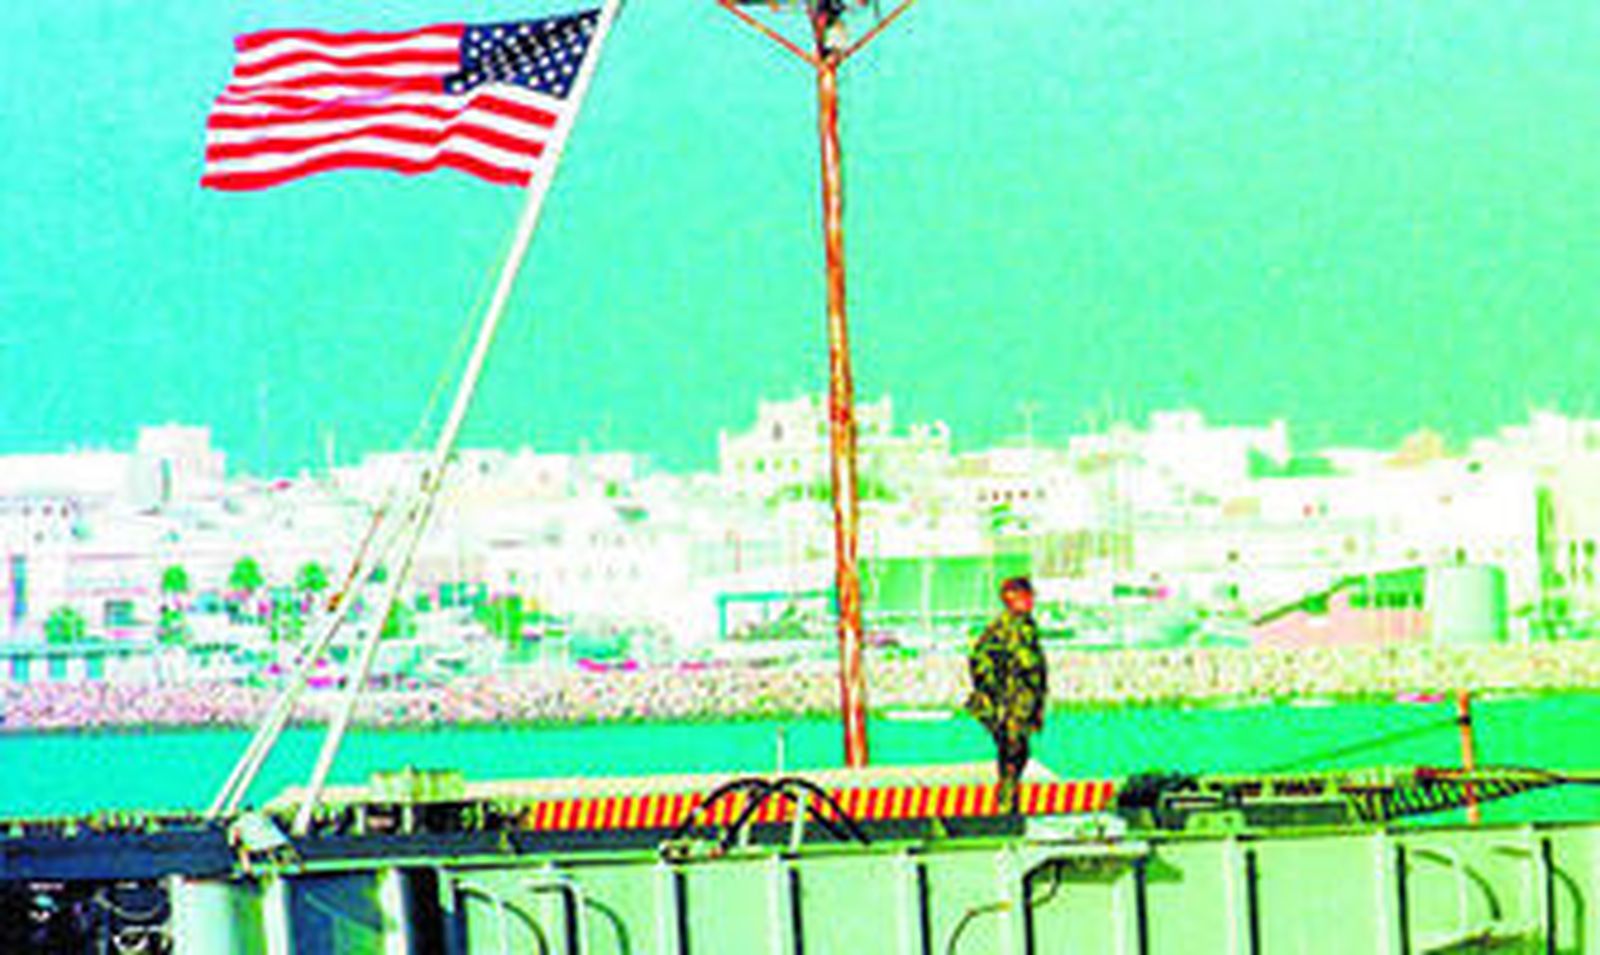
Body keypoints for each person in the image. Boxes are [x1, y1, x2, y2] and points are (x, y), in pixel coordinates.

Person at [965, 576, 1048, 813]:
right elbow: (979, 660)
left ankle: (1011, 800)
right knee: (1011, 751)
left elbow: (1035, 668)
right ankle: (1006, 803)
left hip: (1024, 702)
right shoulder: (1002, 628)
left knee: (1020, 752)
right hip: (1009, 703)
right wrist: (995, 691)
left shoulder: (1027, 626)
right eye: (1024, 596)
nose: (1030, 601)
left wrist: (1037, 705)